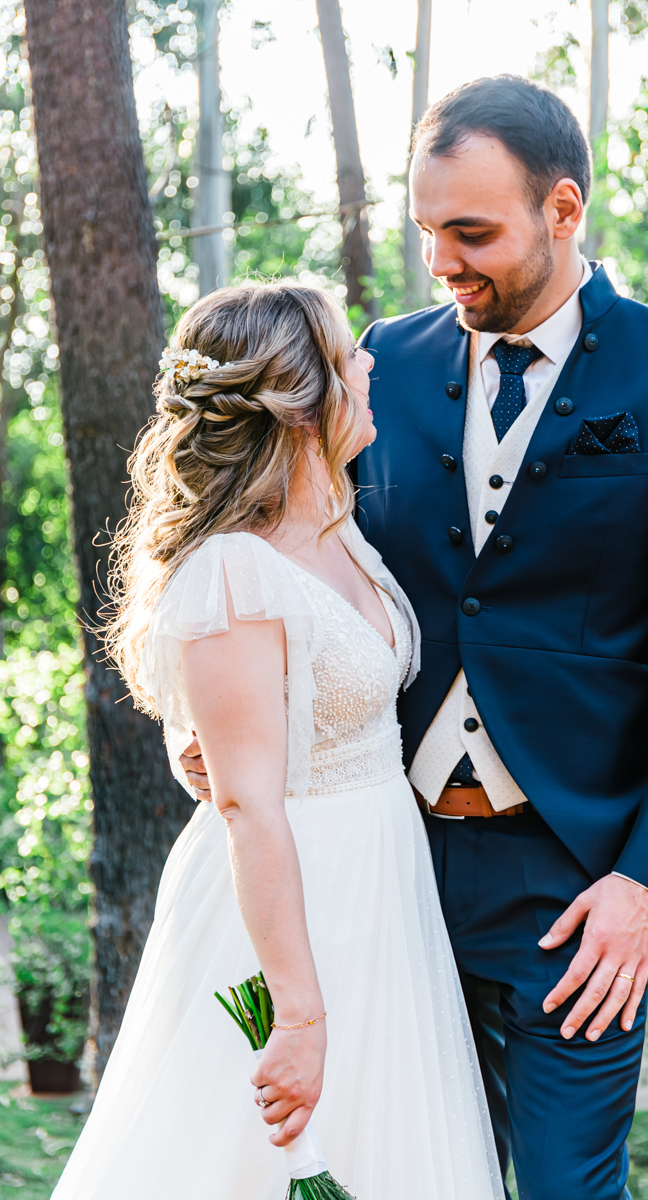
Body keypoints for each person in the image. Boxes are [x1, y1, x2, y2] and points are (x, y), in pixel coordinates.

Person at [181, 78, 648, 1197]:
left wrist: (645, 885)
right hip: (381, 867)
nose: (442, 263)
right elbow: (248, 556)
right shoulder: (375, 367)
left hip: (570, 886)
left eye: (471, 232)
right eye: (426, 232)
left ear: (561, 209)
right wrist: (190, 727)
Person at [52, 282, 504, 1200]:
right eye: (346, 359)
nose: (369, 362)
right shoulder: (229, 570)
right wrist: (297, 1015)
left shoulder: (340, 528)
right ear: (299, 404)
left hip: (383, 894)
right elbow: (248, 800)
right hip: (287, 913)